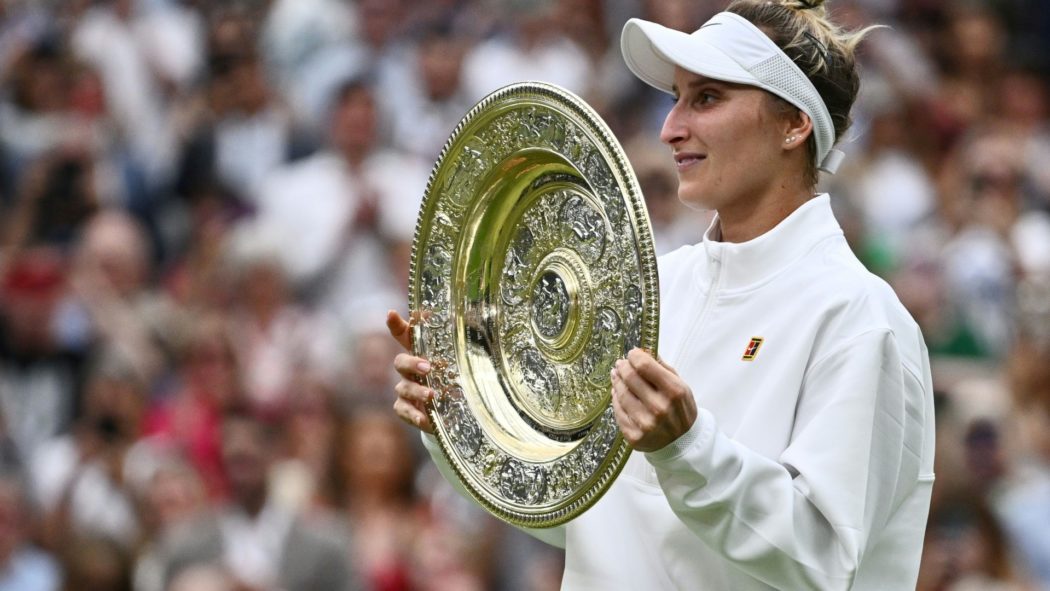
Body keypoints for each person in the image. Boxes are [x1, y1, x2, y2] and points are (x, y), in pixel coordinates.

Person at [388, 0, 937, 589]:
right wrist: (463, 413)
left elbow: (825, 558)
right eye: (677, 97)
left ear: (794, 123)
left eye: (706, 98)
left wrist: (686, 448)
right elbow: (589, 514)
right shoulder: (658, 282)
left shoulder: (859, 318)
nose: (670, 128)